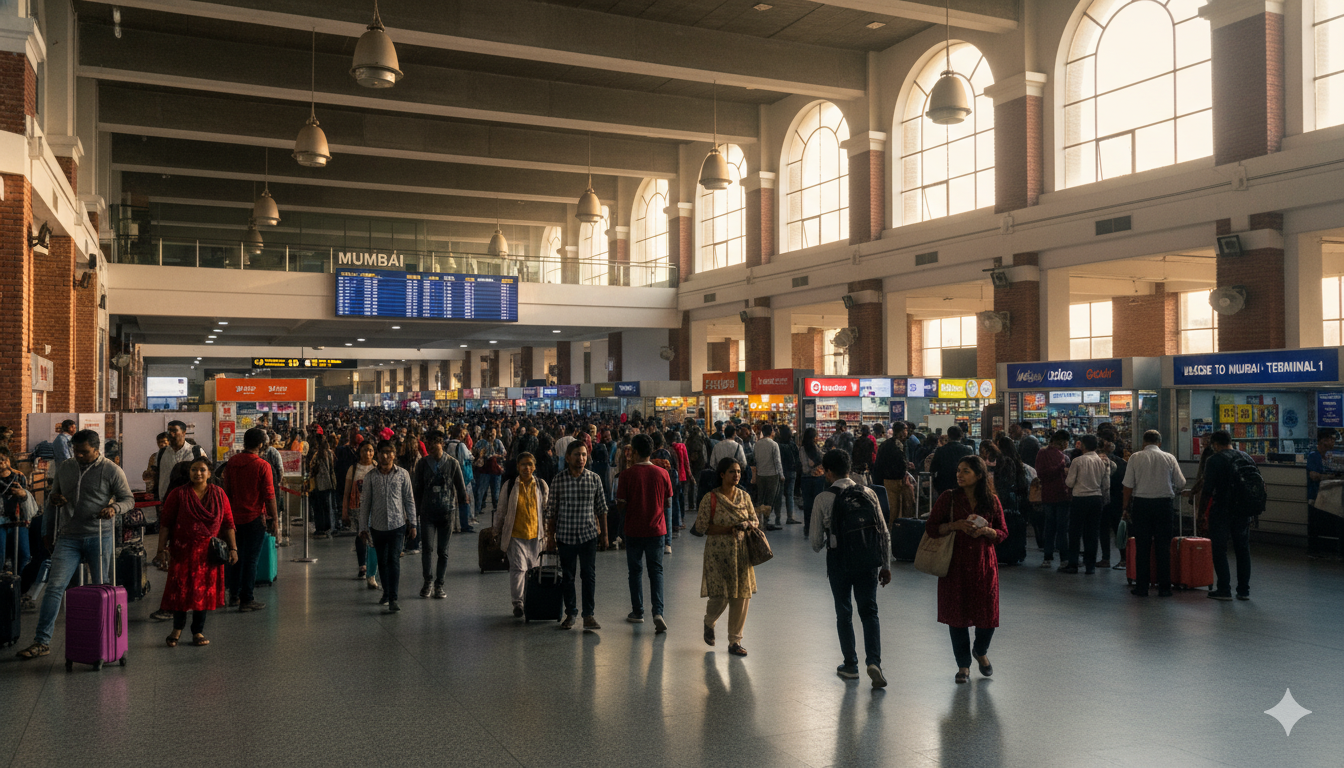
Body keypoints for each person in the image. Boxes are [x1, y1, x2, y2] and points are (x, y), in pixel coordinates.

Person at [17, 430, 134, 660]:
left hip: (99, 535)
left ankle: (105, 638)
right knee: (55, 586)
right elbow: (52, 500)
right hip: (68, 536)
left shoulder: (111, 470)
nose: (79, 456)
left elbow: (128, 499)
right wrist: (48, 530)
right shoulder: (66, 467)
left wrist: (114, 508)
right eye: (76, 451)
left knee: (102, 588)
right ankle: (42, 641)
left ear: (96, 448)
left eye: (84, 452)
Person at [809, 449, 891, 688]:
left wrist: (830, 535)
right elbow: (883, 532)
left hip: (839, 563)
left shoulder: (823, 499)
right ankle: (874, 662)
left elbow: (815, 543)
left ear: (828, 472)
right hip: (868, 561)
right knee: (870, 612)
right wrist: (885, 565)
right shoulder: (868, 493)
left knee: (844, 612)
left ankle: (850, 665)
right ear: (849, 469)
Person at [924, 456, 1006, 684]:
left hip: (983, 566)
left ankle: (980, 650)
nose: (959, 474)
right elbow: (931, 527)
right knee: (957, 618)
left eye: (966, 471)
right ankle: (963, 666)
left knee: (987, 617)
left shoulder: (992, 501)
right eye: (959, 470)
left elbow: (1002, 532)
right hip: (955, 566)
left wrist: (987, 531)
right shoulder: (948, 498)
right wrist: (955, 525)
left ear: (979, 475)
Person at [156, 456, 238, 647]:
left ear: (209, 473)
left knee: (204, 592)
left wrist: (233, 548)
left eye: (202, 470)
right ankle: (177, 629)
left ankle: (197, 631)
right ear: (189, 472)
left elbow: (228, 523)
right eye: (194, 469)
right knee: (181, 591)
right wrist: (161, 549)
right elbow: (166, 524)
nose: (198, 473)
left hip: (209, 554)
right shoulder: (178, 494)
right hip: (182, 551)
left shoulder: (219, 494)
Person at [692, 457, 758, 657]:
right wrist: (729, 528)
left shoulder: (744, 497)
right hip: (717, 555)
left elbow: (755, 520)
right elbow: (702, 527)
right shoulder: (710, 498)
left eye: (738, 471)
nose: (737, 475)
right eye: (732, 472)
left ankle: (734, 641)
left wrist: (748, 525)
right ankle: (709, 621)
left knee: (741, 596)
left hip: (742, 554)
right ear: (722, 474)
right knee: (720, 595)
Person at [544, 442, 608, 630]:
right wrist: (550, 536)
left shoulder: (594, 479)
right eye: (577, 455)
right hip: (565, 536)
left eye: (583, 455)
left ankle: (588, 615)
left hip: (588, 535)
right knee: (568, 577)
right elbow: (552, 511)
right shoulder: (558, 480)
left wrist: (605, 535)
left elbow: (602, 509)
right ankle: (570, 613)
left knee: (588, 575)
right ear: (568, 457)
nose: (581, 458)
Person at [617, 434, 673, 633]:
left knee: (635, 572)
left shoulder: (626, 475)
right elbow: (667, 503)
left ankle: (637, 612)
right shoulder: (663, 474)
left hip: (633, 530)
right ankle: (658, 612)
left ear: (635, 452)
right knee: (656, 571)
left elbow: (621, 505)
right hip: (657, 531)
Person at [221, 428, 279, 612]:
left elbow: (226, 490)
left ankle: (234, 595)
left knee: (234, 555)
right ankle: (247, 598)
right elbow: (269, 496)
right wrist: (275, 519)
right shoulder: (262, 465)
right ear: (261, 444)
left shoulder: (232, 462)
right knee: (251, 560)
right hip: (254, 518)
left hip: (232, 519)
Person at [1121, 430, 1185, 597]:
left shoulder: (1135, 457)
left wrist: (1125, 508)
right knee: (1163, 547)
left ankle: (1142, 587)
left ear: (1143, 442)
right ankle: (1165, 588)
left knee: (1142, 547)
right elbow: (1181, 483)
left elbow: (1127, 486)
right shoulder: (1169, 458)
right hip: (1164, 506)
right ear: (1159, 443)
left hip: (1141, 505)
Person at [358, 441, 418, 613]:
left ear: (394, 455)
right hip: (377, 527)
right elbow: (365, 504)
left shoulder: (403, 475)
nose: (385, 456)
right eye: (381, 452)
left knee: (393, 560)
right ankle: (386, 592)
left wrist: (413, 523)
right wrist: (363, 527)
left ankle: (393, 597)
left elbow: (409, 499)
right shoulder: (371, 477)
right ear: (378, 454)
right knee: (382, 562)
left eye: (388, 452)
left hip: (398, 525)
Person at [412, 430, 469, 599]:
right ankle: (428, 581)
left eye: (434, 443)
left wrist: (463, 510)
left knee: (443, 551)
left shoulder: (452, 463)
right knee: (427, 549)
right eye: (428, 444)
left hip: (447, 512)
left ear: (441, 444)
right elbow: (417, 489)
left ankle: (439, 584)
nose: (430, 447)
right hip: (427, 513)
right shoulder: (422, 464)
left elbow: (460, 487)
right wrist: (414, 512)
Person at [1203, 430, 1256, 601]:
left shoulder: (1214, 460)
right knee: (1242, 550)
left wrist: (1202, 513)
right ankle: (1243, 591)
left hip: (1222, 510)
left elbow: (1207, 490)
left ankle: (1224, 589)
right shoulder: (1246, 458)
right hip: (1243, 511)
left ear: (1215, 444)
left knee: (1219, 550)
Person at [494, 452, 549, 617]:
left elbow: (547, 509)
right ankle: (518, 603)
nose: (527, 468)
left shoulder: (541, 485)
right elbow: (501, 510)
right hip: (516, 534)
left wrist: (549, 532)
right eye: (523, 464)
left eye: (530, 465)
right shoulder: (510, 485)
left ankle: (531, 599)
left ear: (534, 467)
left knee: (534, 570)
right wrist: (496, 530)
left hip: (536, 535)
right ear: (518, 466)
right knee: (518, 569)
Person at [1062, 434, 1111, 575]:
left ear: (1083, 445)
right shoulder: (1101, 462)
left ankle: (1073, 563)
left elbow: (1069, 482)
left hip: (1080, 499)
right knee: (1092, 533)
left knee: (1075, 532)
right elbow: (1105, 484)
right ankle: (1090, 565)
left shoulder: (1077, 461)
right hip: (1096, 499)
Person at [343, 440, 379, 589]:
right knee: (361, 535)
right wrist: (344, 511)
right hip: (357, 507)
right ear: (360, 451)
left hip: (375, 508)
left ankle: (370, 569)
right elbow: (347, 492)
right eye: (365, 450)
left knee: (372, 537)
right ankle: (362, 565)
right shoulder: (353, 468)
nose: (368, 453)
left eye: (370, 450)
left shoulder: (377, 466)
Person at [1035, 430, 1071, 568]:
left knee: (1050, 527)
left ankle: (1048, 557)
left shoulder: (1042, 453)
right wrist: (1060, 467)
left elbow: (1040, 474)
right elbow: (1043, 474)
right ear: (1062, 442)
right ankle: (1063, 559)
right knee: (1061, 528)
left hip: (1048, 495)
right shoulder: (1061, 457)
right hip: (1061, 494)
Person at [1306, 428, 1344, 559]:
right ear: (1323, 440)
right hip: (1315, 495)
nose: (1333, 442)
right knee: (1315, 524)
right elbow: (1313, 475)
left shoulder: (1331, 456)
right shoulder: (1313, 455)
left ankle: (1334, 550)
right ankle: (1314, 551)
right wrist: (1329, 477)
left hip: (1331, 495)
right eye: (1331, 439)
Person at [0, 446, 37, 575]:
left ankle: (18, 586)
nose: (2, 463)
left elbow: (28, 498)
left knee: (24, 555)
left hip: (18, 521)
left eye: (4, 459)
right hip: (0, 522)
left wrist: (22, 494)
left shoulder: (19, 477)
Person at [875, 422, 912, 520]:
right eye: (906, 429)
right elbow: (897, 462)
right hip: (892, 480)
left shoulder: (887, 443)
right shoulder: (896, 444)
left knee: (895, 509)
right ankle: (892, 531)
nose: (907, 432)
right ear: (901, 432)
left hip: (887, 479)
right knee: (894, 510)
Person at [753, 423, 784, 530]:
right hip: (772, 475)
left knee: (760, 498)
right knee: (770, 499)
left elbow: (755, 459)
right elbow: (777, 461)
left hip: (760, 474)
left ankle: (758, 521)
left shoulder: (757, 444)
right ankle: (765, 521)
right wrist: (781, 475)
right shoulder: (774, 444)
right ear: (771, 432)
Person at [308, 434, 338, 538]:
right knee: (328, 506)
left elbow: (311, 469)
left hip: (317, 484)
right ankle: (328, 527)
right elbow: (332, 469)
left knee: (318, 508)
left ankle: (320, 528)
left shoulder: (316, 454)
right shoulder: (329, 453)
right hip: (328, 483)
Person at [931, 425, 974, 496]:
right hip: (963, 483)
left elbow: (933, 469)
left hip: (943, 484)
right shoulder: (968, 450)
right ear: (961, 436)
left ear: (948, 436)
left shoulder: (940, 450)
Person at [799, 428, 827, 537]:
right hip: (818, 479)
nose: (817, 437)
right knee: (817, 504)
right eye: (816, 436)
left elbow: (805, 467)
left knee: (808, 504)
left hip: (806, 479)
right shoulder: (813, 449)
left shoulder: (803, 449)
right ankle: (817, 528)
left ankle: (808, 527)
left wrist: (812, 466)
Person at [777, 425, 800, 526]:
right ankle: (790, 517)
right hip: (791, 472)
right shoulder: (792, 445)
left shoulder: (778, 445)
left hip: (780, 472)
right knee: (789, 495)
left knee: (779, 495)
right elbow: (797, 458)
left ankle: (777, 518)